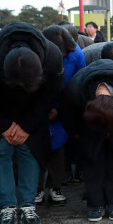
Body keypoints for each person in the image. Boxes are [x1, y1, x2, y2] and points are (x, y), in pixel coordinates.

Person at [0, 22, 64, 224]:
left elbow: (51, 95)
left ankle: (28, 205)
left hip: (33, 112)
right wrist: (4, 126)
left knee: (30, 152)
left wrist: (26, 126)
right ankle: (7, 206)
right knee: (0, 151)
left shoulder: (52, 56)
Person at [60, 59, 113, 221]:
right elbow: (67, 112)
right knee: (92, 161)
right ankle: (94, 204)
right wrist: (75, 132)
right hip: (89, 123)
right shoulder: (75, 89)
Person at [36, 26, 87, 206]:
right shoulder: (36, 52)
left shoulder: (76, 54)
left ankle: (55, 187)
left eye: (66, 52)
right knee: (37, 148)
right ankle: (37, 189)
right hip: (38, 106)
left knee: (58, 146)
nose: (63, 55)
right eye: (60, 52)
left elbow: (80, 82)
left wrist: (60, 108)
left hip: (64, 105)